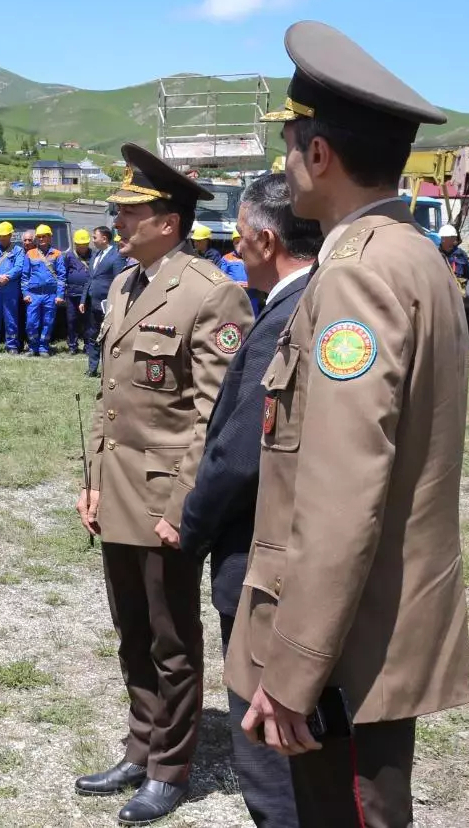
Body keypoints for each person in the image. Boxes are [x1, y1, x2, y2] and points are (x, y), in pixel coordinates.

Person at [227, 21, 469, 828]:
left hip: (345, 649)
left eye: (290, 148)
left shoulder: (356, 277)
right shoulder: (412, 253)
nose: (285, 167)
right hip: (365, 629)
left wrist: (295, 669)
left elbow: (339, 494)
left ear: (319, 155)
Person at [74, 143, 251, 825]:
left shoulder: (211, 293)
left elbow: (213, 417)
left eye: (130, 211)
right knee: (131, 630)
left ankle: (170, 768)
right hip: (117, 489)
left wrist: (183, 507)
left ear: (168, 221)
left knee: (171, 638)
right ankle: (140, 746)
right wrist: (91, 481)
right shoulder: (125, 285)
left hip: (163, 499)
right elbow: (108, 398)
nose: (117, 221)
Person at [178, 174, 321, 828]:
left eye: (239, 235)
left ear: (266, 239)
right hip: (302, 555)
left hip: (261, 563)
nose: (235, 247)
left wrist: (189, 528)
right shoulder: (316, 302)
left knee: (268, 753)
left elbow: (238, 455)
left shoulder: (285, 319)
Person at [85, 226, 128, 376]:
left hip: (108, 305)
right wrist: (84, 299)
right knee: (92, 335)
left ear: (104, 239)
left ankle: (108, 370)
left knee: (109, 337)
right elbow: (90, 279)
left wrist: (116, 302)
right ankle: (92, 369)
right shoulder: (96, 255)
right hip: (93, 303)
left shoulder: (116, 256)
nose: (92, 240)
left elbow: (119, 281)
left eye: (94, 237)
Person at [22, 223, 66, 356]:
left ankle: (43, 347)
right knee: (31, 322)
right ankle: (33, 346)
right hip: (33, 294)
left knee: (48, 321)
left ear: (49, 237)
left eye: (44, 236)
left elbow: (62, 276)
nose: (41, 239)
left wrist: (60, 295)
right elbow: (25, 276)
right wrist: (25, 293)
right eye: (39, 236)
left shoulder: (57, 254)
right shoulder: (30, 253)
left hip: (50, 294)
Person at [0, 222, 26, 353]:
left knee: (11, 318)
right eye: (0, 235)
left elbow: (19, 267)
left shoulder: (18, 250)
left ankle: (12, 346)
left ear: (10, 235)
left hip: (10, 290)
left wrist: (7, 277)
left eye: (4, 235)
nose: (1, 238)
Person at [438, 225, 469, 347]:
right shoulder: (435, 253)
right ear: (442, 239)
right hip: (441, 290)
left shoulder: (461, 254)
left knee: (459, 316)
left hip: (457, 290)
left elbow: (467, 272)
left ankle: (459, 340)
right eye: (448, 238)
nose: (451, 241)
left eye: (453, 238)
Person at [60, 229, 92, 355]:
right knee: (72, 321)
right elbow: (64, 273)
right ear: (75, 244)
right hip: (72, 295)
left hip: (88, 294)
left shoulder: (93, 255)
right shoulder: (69, 256)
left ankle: (88, 345)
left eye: (84, 245)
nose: (82, 247)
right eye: (80, 245)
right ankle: (72, 345)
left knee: (88, 322)